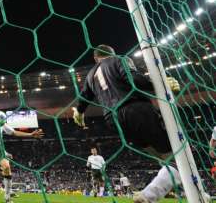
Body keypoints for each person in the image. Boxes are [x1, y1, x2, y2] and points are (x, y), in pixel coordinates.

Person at [71, 45, 182, 203]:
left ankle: (196, 192)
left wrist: (79, 113)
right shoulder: (119, 60)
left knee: (165, 157)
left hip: (114, 121)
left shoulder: (90, 75)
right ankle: (148, 196)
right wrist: (161, 84)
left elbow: (83, 98)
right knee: (178, 157)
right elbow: (133, 78)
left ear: (96, 59)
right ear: (112, 54)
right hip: (135, 109)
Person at [0, 79, 44, 203]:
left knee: (6, 167)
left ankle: (7, 197)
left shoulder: (1, 122)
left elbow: (14, 132)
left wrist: (31, 134)